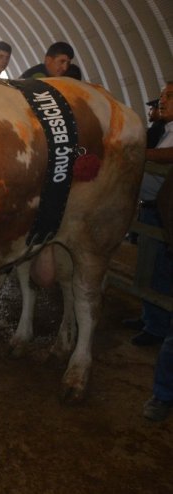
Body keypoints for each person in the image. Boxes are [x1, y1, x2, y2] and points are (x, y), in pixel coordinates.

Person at [141, 81, 173, 421]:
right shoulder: (159, 129)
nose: (162, 102)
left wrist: (140, 153)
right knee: (154, 273)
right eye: (162, 96)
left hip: (161, 212)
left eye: (168, 96)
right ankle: (152, 322)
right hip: (155, 211)